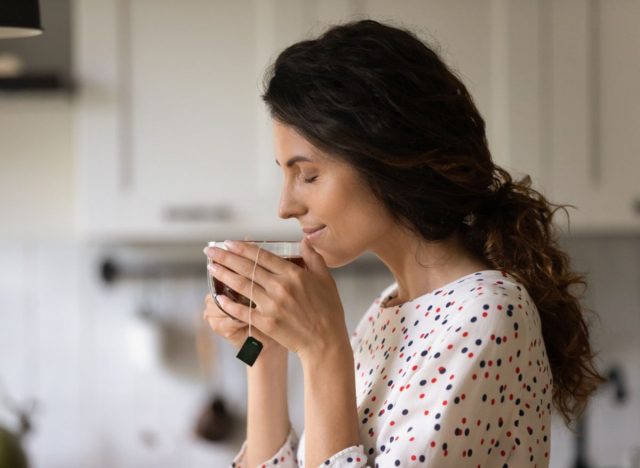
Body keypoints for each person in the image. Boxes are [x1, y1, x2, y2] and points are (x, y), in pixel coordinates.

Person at [202, 19, 603, 468]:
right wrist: (266, 351)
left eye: (308, 175)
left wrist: (324, 350)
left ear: (386, 159)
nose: (285, 205)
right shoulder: (388, 310)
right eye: (285, 173)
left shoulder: (486, 314)